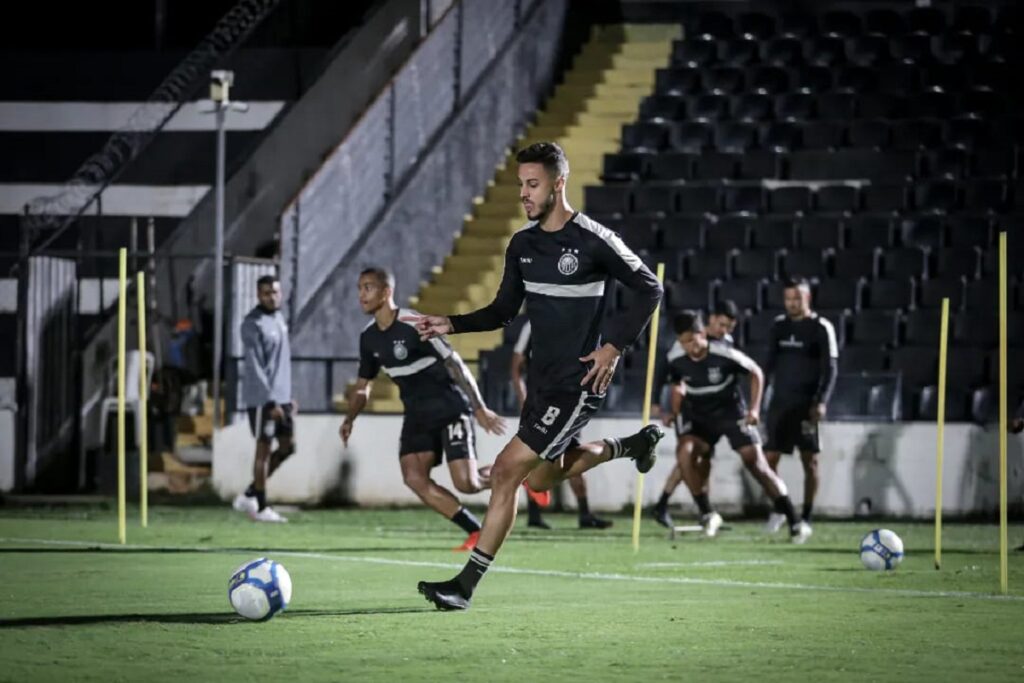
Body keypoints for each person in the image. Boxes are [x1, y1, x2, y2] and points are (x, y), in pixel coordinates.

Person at [408, 142, 665, 610]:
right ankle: (632, 446)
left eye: (533, 184)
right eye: (521, 185)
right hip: (543, 383)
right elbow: (504, 311)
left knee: (507, 472)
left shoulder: (593, 239)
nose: (524, 194)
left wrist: (612, 347)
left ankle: (464, 588)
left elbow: (651, 287)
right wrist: (452, 323)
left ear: (558, 183)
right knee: (543, 480)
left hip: (578, 382)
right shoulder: (523, 244)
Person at [339, 267, 507, 551]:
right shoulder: (369, 338)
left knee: (467, 483)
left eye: (367, 288)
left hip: (449, 409)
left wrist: (479, 408)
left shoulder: (415, 323)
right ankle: (475, 530)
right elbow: (363, 386)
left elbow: (455, 365)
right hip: (417, 416)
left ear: (386, 292)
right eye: (359, 288)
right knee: (413, 478)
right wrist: (349, 418)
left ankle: (517, 474)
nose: (361, 295)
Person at [649, 311, 809, 540]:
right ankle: (708, 513)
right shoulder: (675, 356)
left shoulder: (723, 353)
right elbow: (664, 380)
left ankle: (795, 521)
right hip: (697, 415)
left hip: (730, 411)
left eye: (694, 340)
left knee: (756, 464)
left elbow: (756, 373)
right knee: (684, 453)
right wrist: (660, 408)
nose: (691, 347)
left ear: (703, 333)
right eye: (684, 342)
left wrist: (754, 409)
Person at [510, 319, 613, 530]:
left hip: (564, 404)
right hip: (539, 405)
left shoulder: (574, 324)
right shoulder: (532, 326)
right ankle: (535, 514)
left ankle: (584, 514)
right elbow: (515, 366)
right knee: (532, 459)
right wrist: (523, 399)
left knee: (572, 453)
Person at [652, 300, 740, 528]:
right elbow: (669, 378)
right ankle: (702, 511)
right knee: (687, 455)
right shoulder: (684, 345)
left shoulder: (723, 343)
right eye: (722, 325)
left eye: (729, 327)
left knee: (703, 460)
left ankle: (697, 511)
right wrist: (664, 407)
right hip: (689, 409)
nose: (725, 331)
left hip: (711, 411)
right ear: (710, 322)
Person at [763, 278, 839, 533]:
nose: (792, 303)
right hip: (780, 404)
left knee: (810, 461)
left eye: (797, 298)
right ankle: (780, 509)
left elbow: (831, 369)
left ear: (808, 299)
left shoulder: (821, 327)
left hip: (807, 405)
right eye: (788, 299)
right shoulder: (777, 326)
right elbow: (767, 366)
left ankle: (806, 516)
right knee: (769, 459)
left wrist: (821, 401)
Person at [233, 275, 295, 523]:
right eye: (268, 293)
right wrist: (270, 401)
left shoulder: (278, 318)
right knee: (264, 449)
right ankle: (260, 506)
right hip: (263, 399)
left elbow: (281, 362)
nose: (273, 297)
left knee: (288, 447)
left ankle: (250, 492)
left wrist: (288, 398)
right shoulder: (252, 324)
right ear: (259, 295)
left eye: (276, 292)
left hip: (283, 397)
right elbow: (256, 365)